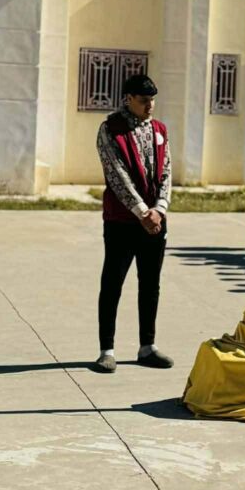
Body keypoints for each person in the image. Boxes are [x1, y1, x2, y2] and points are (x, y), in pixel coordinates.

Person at [94, 73, 172, 373]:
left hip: (155, 220)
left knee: (150, 284)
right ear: (128, 99)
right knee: (112, 283)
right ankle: (107, 350)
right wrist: (142, 212)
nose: (149, 106)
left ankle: (147, 346)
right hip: (122, 220)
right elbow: (116, 175)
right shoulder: (111, 129)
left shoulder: (159, 129)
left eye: (152, 100)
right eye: (143, 100)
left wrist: (159, 209)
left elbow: (166, 171)